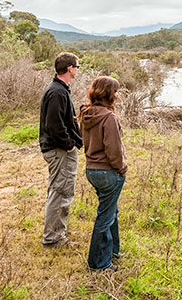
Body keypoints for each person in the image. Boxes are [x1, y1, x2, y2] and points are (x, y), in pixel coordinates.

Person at [79, 76, 128, 271]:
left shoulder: (86, 113)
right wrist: (121, 168)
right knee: (105, 216)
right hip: (108, 172)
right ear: (108, 93)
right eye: (115, 91)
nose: (116, 95)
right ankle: (98, 264)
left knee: (111, 211)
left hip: (92, 170)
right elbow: (113, 150)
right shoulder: (108, 117)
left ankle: (112, 252)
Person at [39, 52, 83, 247]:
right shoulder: (57, 92)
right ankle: (53, 238)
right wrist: (69, 145)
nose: (77, 70)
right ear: (69, 69)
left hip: (58, 149)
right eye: (77, 66)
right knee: (61, 192)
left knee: (58, 190)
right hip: (59, 150)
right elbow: (54, 125)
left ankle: (57, 230)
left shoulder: (60, 89)